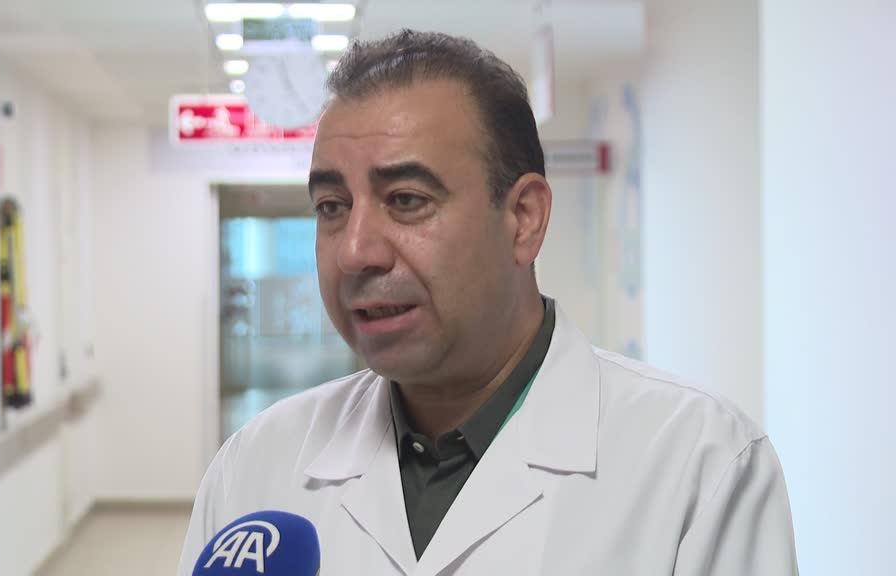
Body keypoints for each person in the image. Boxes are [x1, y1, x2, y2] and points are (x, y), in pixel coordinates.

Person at [179, 30, 798, 575]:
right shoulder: (255, 467)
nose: (355, 251)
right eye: (331, 207)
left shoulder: (699, 464)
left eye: (407, 200)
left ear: (523, 218)